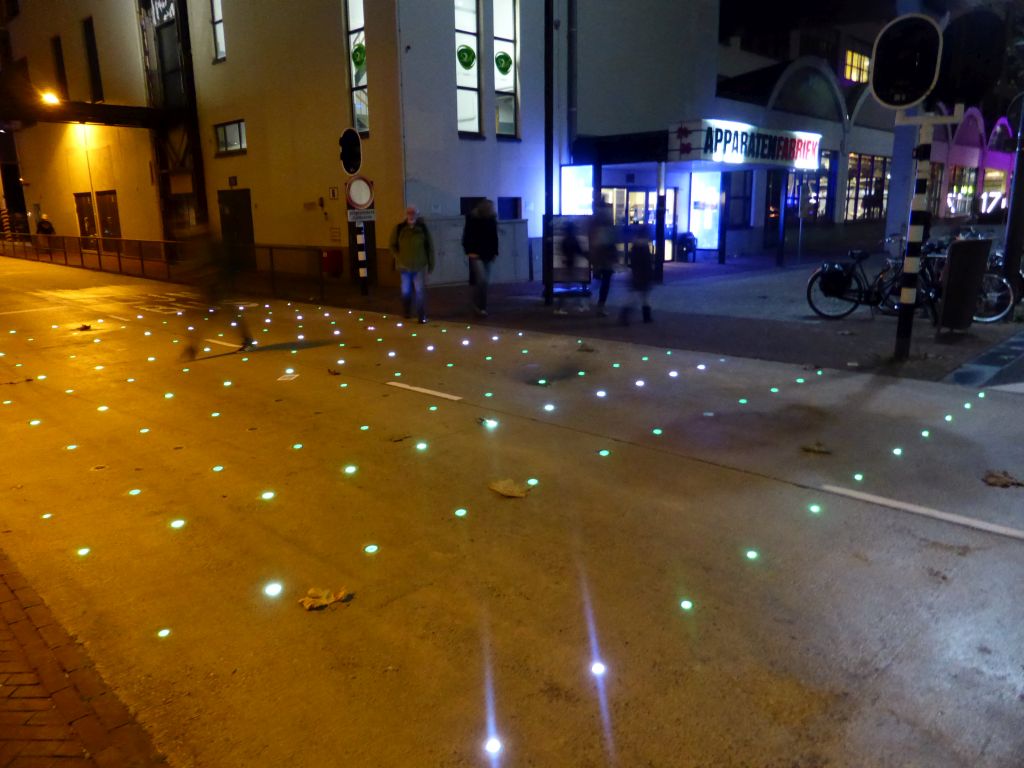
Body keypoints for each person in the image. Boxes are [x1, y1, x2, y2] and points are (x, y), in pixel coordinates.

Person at [178, 229, 253, 361]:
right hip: (211, 289)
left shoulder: (207, 249)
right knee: (208, 317)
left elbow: (213, 266)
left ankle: (247, 340)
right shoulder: (204, 248)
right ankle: (193, 348)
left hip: (216, 288)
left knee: (225, 315)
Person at [389, 206, 435, 323]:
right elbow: (392, 245)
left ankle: (421, 315)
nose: (411, 215)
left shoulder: (423, 229)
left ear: (417, 215)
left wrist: (431, 264)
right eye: (409, 213)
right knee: (406, 291)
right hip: (404, 266)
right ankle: (407, 311)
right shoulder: (399, 228)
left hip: (419, 265)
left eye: (413, 213)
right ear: (406, 214)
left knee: (420, 291)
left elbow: (430, 247)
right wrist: (399, 257)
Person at [462, 198, 499, 317]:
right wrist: (469, 251)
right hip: (475, 254)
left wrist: (494, 252)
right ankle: (478, 305)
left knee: (485, 282)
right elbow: (467, 236)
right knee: (482, 279)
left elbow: (494, 237)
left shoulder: (492, 220)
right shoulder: (472, 219)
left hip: (488, 254)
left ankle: (481, 306)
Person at [620, 226, 655, 325]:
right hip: (642, 274)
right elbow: (646, 263)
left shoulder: (636, 246)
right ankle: (644, 316)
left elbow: (634, 262)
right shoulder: (643, 246)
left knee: (636, 296)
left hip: (637, 274)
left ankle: (625, 316)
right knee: (642, 297)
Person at [588, 202, 617, 316]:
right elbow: (609, 245)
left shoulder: (597, 227)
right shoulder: (606, 229)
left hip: (601, 260)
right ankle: (600, 306)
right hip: (605, 261)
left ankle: (600, 305)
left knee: (603, 283)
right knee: (605, 283)